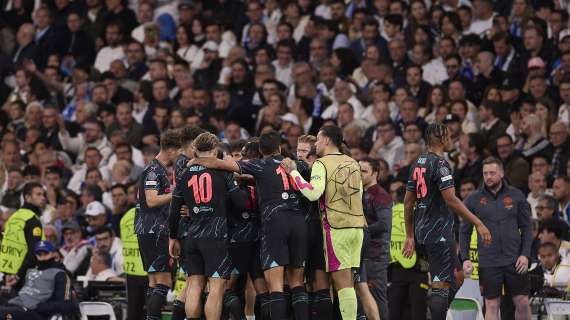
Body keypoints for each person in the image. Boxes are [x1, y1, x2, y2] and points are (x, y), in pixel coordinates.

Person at [190, 130, 311, 320]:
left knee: (276, 286)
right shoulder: (299, 165)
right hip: (298, 223)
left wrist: (195, 161)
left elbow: (218, 163)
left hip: (273, 225)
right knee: (297, 283)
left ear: (261, 151)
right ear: (279, 147)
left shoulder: (260, 165)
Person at [403, 123, 492, 320]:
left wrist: (410, 235)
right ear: (442, 138)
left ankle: (436, 309)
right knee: (442, 284)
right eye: (449, 135)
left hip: (420, 232)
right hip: (439, 232)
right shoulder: (441, 164)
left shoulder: (417, 162)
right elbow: (451, 199)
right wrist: (478, 222)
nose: (452, 139)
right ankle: (437, 313)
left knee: (455, 277)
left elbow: (408, 202)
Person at [282, 125, 366, 320]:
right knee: (348, 283)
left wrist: (294, 172)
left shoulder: (322, 164)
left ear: (327, 140)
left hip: (337, 228)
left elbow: (313, 193)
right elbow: (359, 194)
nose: (316, 145)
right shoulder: (353, 162)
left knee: (342, 283)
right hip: (357, 227)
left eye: (318, 140)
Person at [169, 132, 246, 319]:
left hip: (192, 235)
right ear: (215, 150)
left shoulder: (184, 174)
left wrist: (172, 237)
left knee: (194, 284)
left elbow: (174, 210)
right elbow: (241, 203)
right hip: (216, 236)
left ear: (195, 149)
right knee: (217, 287)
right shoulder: (223, 172)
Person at [461, 157, 533, 320]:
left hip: (515, 259)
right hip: (488, 261)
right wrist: (465, 258)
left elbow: (527, 228)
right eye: (485, 173)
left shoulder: (516, 195)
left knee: (522, 301)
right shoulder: (472, 199)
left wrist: (525, 254)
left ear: (501, 173)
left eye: (492, 173)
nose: (488, 177)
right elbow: (464, 232)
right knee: (492, 304)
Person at [135, 129, 181, 320]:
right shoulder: (154, 170)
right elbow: (152, 200)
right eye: (179, 151)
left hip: (147, 229)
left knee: (154, 282)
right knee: (163, 281)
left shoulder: (155, 169)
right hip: (155, 230)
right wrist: (178, 193)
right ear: (171, 150)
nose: (180, 155)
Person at [297, 134, 333, 319]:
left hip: (317, 229)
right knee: (304, 282)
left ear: (314, 154)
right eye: (298, 151)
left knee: (319, 282)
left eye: (304, 151)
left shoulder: (317, 171)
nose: (300, 155)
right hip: (301, 230)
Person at [0, 241, 77, 320]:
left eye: (46, 253)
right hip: (15, 305)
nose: (42, 257)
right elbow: (21, 293)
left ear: (54, 254)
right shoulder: (30, 271)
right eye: (39, 254)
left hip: (34, 312)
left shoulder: (60, 274)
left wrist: (38, 306)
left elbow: (66, 305)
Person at [387, 185, 429, 320]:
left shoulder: (387, 214)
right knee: (418, 313)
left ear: (395, 197)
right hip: (418, 269)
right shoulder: (421, 214)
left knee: (395, 312)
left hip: (394, 271)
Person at [359, 157, 392, 320]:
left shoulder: (380, 195)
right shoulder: (360, 193)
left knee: (378, 297)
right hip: (363, 254)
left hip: (376, 255)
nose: (360, 174)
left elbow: (384, 225)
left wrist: (360, 229)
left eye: (364, 171)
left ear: (375, 173)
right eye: (358, 170)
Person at [0, 182, 46, 290]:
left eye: (43, 194)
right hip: (23, 278)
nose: (43, 198)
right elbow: (33, 253)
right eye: (38, 194)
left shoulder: (13, 217)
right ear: (28, 197)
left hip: (6, 275)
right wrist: (18, 276)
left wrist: (8, 274)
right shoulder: (32, 220)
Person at [120, 206, 148, 320]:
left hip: (131, 272)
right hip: (150, 271)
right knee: (153, 312)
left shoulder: (126, 216)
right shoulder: (154, 213)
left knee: (133, 311)